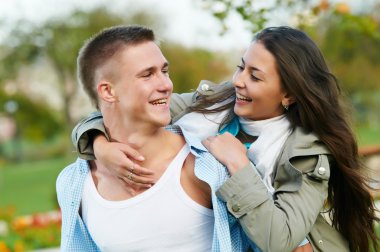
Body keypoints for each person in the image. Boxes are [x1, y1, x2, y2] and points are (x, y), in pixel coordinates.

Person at [72, 26, 379, 251]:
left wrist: (239, 165)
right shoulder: (215, 102)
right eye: (240, 66)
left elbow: (279, 240)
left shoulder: (307, 154)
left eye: (255, 76)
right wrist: (100, 148)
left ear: (288, 94)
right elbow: (129, 110)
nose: (238, 81)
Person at [56, 25, 257, 251]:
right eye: (147, 75)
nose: (166, 85)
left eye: (164, 71)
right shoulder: (74, 183)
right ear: (108, 92)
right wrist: (99, 143)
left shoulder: (207, 168)